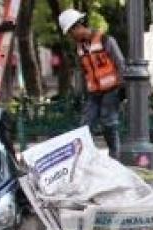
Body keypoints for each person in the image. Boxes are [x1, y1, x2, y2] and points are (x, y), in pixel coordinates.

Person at [58, 8, 125, 158]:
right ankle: (86, 159)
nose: (70, 37)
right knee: (85, 126)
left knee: (109, 123)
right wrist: (79, 94)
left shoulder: (106, 40)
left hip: (111, 90)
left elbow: (120, 63)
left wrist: (122, 88)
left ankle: (115, 158)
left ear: (77, 27)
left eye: (70, 33)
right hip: (94, 93)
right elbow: (83, 73)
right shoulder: (80, 48)